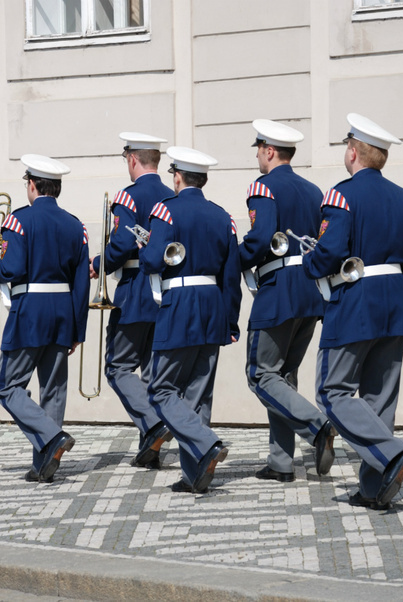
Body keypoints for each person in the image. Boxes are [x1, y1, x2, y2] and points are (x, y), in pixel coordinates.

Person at [302, 114, 403, 510]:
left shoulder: (341, 195)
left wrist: (309, 265)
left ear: (353, 152)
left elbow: (331, 250)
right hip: (395, 301)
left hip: (356, 301)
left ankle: (391, 454)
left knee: (332, 392)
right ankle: (373, 490)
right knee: (380, 398)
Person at [139, 146, 241, 494]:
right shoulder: (223, 216)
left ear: (177, 177)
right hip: (213, 304)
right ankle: (196, 475)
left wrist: (143, 250)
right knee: (198, 393)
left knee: (161, 389)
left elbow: (153, 261)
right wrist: (231, 321)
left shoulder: (165, 211)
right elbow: (232, 275)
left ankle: (205, 441)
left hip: (180, 303)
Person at [238, 119, 336, 483]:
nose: (259, 158)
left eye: (259, 151)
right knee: (283, 378)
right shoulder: (313, 190)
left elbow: (260, 237)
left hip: (278, 287)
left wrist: (231, 260)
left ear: (269, 151)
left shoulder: (263, 187)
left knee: (261, 374)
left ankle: (318, 427)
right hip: (310, 290)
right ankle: (281, 462)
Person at [0, 154, 90, 483]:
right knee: (54, 390)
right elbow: (81, 282)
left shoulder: (19, 221)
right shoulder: (76, 225)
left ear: (32, 185)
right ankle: (44, 464)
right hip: (63, 312)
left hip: (30, 309)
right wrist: (79, 329)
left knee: (8, 387)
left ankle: (51, 437)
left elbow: (13, 268)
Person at [89, 133, 175, 469]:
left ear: (131, 159)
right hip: (164, 290)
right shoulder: (171, 196)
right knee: (152, 372)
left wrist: (98, 263)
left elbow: (123, 242)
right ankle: (150, 449)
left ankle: (154, 424)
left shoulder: (128, 195)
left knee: (118, 366)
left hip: (136, 290)